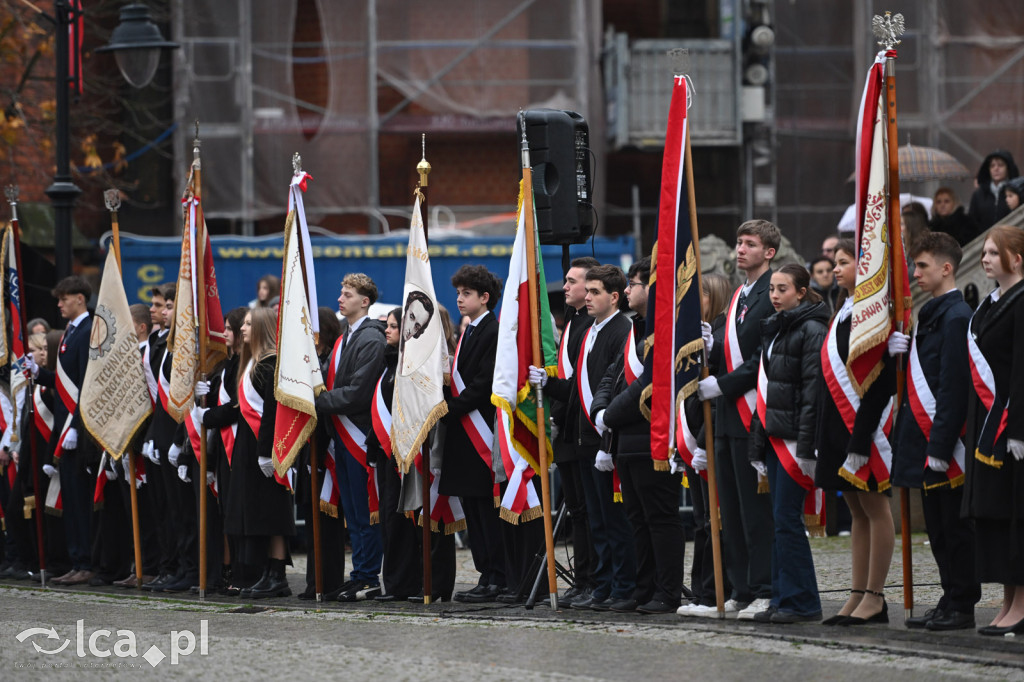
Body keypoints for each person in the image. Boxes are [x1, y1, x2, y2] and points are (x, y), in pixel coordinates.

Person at [889, 232, 979, 631]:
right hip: (925, 441)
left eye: (923, 266)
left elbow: (954, 385)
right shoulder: (932, 313)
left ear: (946, 268)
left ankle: (962, 603)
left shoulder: (957, 316)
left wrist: (941, 445)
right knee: (939, 530)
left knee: (954, 530)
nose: (915, 273)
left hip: (944, 444)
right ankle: (948, 596)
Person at [533, 264, 636, 611]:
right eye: (586, 291)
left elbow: (614, 382)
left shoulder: (622, 329)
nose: (587, 298)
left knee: (614, 519)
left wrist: (603, 435)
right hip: (586, 440)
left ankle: (623, 586)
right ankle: (603, 585)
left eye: (594, 292)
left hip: (605, 438)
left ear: (614, 296)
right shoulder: (590, 329)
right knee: (597, 520)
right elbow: (581, 387)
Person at [696, 219, 780, 619]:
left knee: (754, 511)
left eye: (750, 244)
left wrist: (722, 385)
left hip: (752, 414)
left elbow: (760, 359)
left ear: (769, 252)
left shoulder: (769, 294)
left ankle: (764, 587)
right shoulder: (739, 296)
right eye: (739, 242)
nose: (740, 249)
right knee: (728, 510)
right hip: (728, 418)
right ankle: (741, 588)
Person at [591, 257, 685, 614]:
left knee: (660, 519)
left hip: (651, 437)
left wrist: (609, 415)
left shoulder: (663, 330)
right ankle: (643, 590)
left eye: (635, 284)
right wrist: (602, 409)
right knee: (637, 520)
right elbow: (612, 377)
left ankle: (667, 591)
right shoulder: (636, 329)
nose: (628, 290)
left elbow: (648, 384)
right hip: (624, 441)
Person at [815, 238, 896, 626]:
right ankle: (857, 591)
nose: (836, 269)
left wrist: (862, 438)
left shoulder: (871, 313)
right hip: (838, 425)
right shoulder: (843, 308)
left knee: (875, 508)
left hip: (864, 425)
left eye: (844, 262)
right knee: (855, 510)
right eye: (835, 263)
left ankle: (875, 596)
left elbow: (879, 381)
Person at [748, 264, 828, 624]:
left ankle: (802, 600)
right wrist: (757, 445)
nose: (775, 295)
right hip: (774, 437)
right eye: (772, 290)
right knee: (779, 521)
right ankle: (782, 598)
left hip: (796, 441)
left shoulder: (811, 328)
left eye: (782, 289)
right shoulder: (777, 329)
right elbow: (766, 390)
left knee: (787, 520)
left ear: (801, 291)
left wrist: (808, 448)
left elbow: (813, 392)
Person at [961, 225, 1024, 636]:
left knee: (1017, 515)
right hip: (988, 428)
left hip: (1012, 428)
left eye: (992, 253)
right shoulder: (988, 303)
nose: (984, 259)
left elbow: (1022, 368)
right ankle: (1007, 600)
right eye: (982, 252)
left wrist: (1018, 427)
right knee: (996, 517)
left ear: (1016, 258)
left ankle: (1022, 603)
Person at [315, 273, 387, 601]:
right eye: (341, 293)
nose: (340, 299)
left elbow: (357, 393)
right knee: (353, 513)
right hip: (340, 435)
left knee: (364, 510)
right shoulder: (345, 336)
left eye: (348, 294)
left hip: (359, 434)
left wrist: (314, 401)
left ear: (365, 301)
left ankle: (369, 575)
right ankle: (359, 573)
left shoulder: (371, 338)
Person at [441, 265, 506, 603]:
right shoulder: (468, 332)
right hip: (463, 436)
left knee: (486, 510)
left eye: (466, 293)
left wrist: (446, 411)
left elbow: (483, 385)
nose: (459, 299)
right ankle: (485, 573)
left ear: (485, 297)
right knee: (473, 510)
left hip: (480, 431)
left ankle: (498, 575)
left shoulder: (493, 331)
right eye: (458, 293)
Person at [28, 276, 98, 586]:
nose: (59, 304)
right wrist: (39, 374)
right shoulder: (71, 331)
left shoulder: (89, 331)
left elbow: (88, 384)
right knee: (69, 499)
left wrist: (76, 427)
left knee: (80, 501)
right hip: (65, 429)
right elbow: (63, 382)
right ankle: (76, 559)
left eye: (64, 299)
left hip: (78, 433)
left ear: (80, 299)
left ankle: (87, 562)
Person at [678, 272, 733, 618]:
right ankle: (700, 590)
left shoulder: (722, 335)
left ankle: (715, 591)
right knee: (701, 521)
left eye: (703, 297)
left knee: (716, 520)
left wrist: (701, 440)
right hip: (693, 436)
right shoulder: (691, 338)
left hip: (712, 436)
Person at [548, 256, 600, 607]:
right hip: (566, 430)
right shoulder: (573, 321)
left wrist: (548, 383)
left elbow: (577, 385)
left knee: (588, 511)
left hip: (583, 430)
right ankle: (583, 580)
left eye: (572, 281)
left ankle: (593, 580)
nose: (565, 287)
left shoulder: (588, 327)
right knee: (578, 511)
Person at [296, 307, 347, 600]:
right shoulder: (311, 362)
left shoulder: (328, 363)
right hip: (308, 448)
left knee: (327, 520)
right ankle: (314, 580)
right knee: (312, 515)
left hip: (326, 447)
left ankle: (327, 580)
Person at [968, 150, 1019, 231]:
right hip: (982, 241)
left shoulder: (1017, 192)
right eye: (992, 166)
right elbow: (971, 222)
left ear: (1008, 168)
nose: (996, 168)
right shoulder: (979, 194)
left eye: (1001, 165)